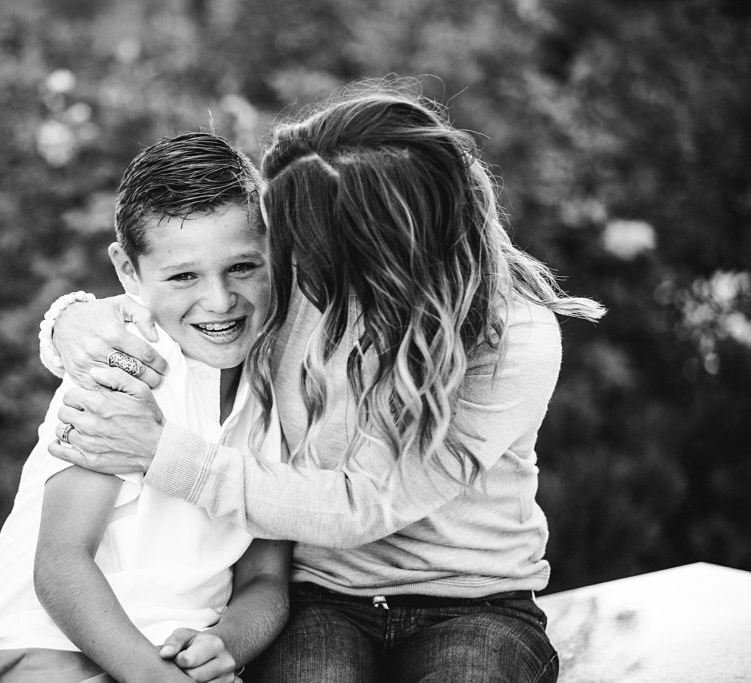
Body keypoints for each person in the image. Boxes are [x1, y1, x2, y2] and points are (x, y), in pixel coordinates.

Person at [41, 84, 605, 682]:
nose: (292, 259)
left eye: (310, 243)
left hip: (476, 601)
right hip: (323, 595)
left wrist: (164, 455)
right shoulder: (305, 276)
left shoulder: (512, 335)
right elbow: (192, 296)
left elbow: (365, 505)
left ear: (388, 246)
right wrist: (72, 322)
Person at [0, 132, 290, 683]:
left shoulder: (286, 386)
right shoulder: (125, 366)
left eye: (243, 267)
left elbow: (265, 579)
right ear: (128, 271)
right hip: (48, 643)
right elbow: (61, 565)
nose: (220, 300)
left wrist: (226, 644)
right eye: (183, 276)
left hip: (180, 653)